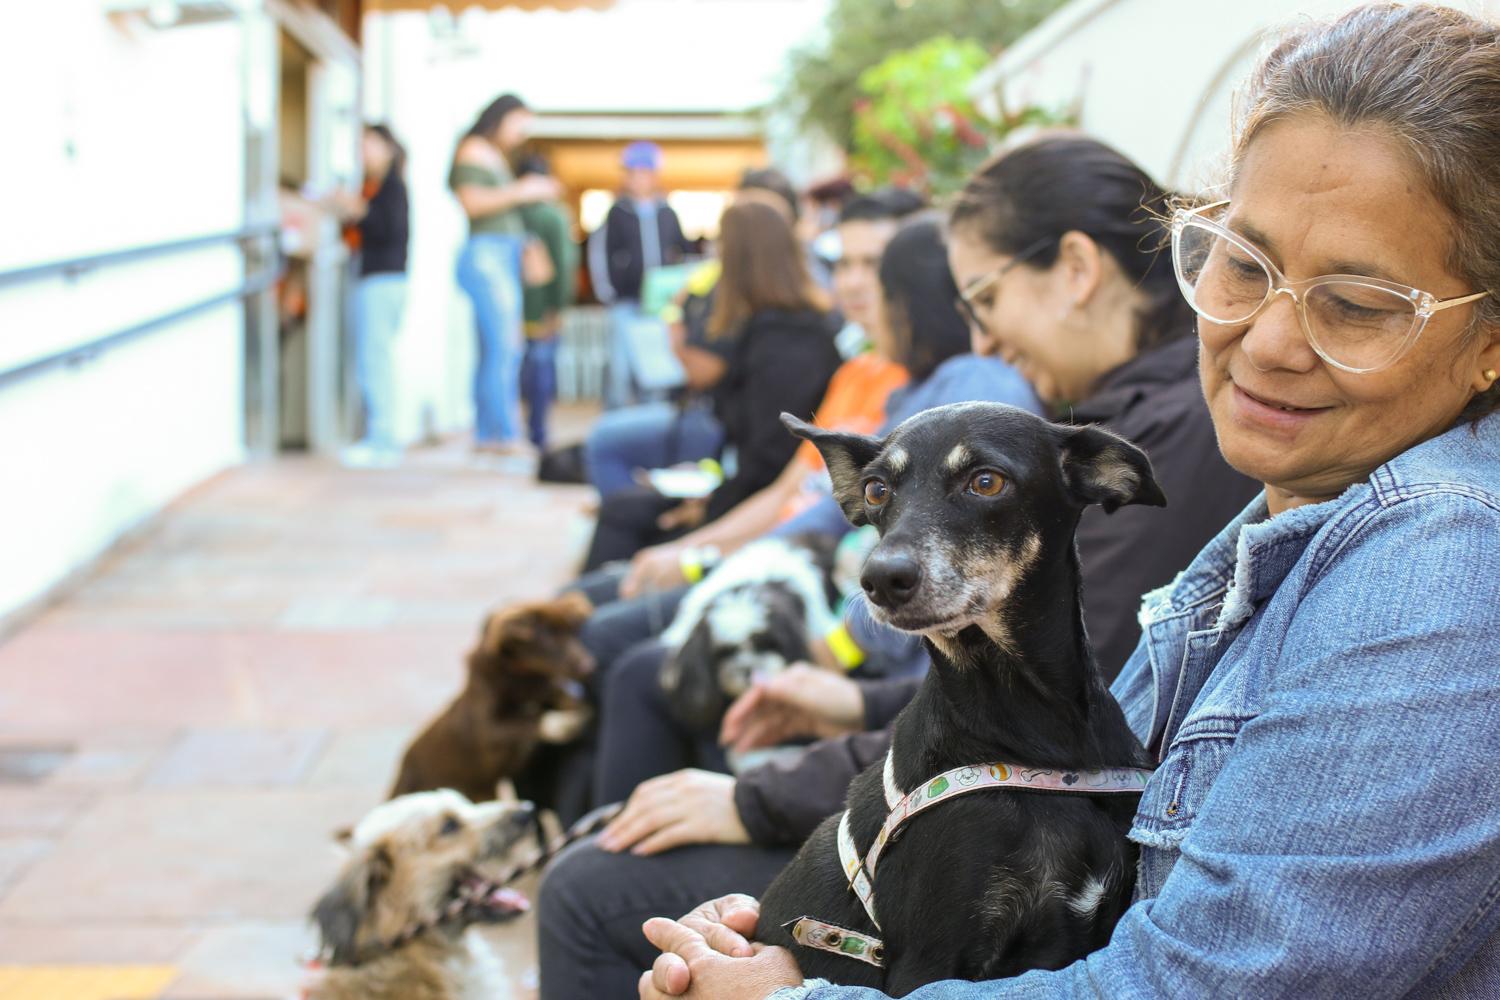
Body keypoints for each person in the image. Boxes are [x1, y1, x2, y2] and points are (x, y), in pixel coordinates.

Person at [637, 5, 1500, 997]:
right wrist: (815, 939)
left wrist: (796, 996)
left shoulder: (1437, 567)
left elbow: (1182, 987)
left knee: (597, 893)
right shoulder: (1295, 510)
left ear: (1490, 342)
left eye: (1355, 302)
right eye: (1242, 262)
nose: (1266, 339)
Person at [535, 132, 1260, 999]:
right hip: (940, 778)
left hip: (990, 803)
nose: (980, 332)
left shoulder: (1150, 445)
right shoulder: (1099, 420)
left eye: (984, 296)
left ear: (1075, 268)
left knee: (584, 885)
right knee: (640, 684)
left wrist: (765, 817)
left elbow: (1029, 708)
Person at [535, 216, 1043, 1000]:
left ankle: (592, 840)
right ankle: (582, 819)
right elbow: (799, 497)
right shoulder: (894, 380)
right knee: (615, 631)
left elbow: (940, 693)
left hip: (874, 686)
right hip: (856, 663)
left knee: (632, 679)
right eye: (848, 264)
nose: (854, 286)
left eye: (873, 270)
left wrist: (821, 680)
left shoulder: (976, 397)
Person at [580, 198, 840, 571]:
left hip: (760, 510)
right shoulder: (768, 327)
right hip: (744, 485)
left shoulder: (787, 343)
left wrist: (711, 509)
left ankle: (584, 611)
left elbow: (767, 462)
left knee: (620, 501)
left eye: (723, 249)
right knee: (624, 506)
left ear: (740, 260)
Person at [450, 94, 560, 455]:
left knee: (494, 350)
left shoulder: (492, 154)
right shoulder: (474, 149)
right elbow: (473, 203)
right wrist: (524, 190)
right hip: (487, 256)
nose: (522, 133)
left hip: (500, 254)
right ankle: (506, 436)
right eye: (519, 122)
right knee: (505, 348)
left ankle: (488, 436)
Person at [589, 140, 692, 407]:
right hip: (625, 303)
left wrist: (679, 290)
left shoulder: (668, 213)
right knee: (620, 369)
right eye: (632, 173)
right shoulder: (617, 212)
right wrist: (608, 292)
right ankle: (618, 419)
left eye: (644, 172)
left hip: (660, 306)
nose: (637, 179)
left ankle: (653, 420)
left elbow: (681, 253)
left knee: (656, 368)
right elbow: (600, 253)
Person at [339, 124, 409, 468]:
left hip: (384, 281)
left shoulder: (391, 187)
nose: (363, 152)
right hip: (378, 280)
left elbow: (387, 229)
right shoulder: (375, 187)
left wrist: (356, 209)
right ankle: (380, 438)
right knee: (371, 360)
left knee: (375, 360)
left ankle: (382, 440)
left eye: (368, 144)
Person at [516, 155, 578, 451]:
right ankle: (537, 434)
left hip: (512, 309)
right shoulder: (553, 216)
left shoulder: (510, 213)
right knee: (540, 374)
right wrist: (559, 307)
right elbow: (565, 266)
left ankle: (507, 433)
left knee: (512, 373)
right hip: (542, 310)